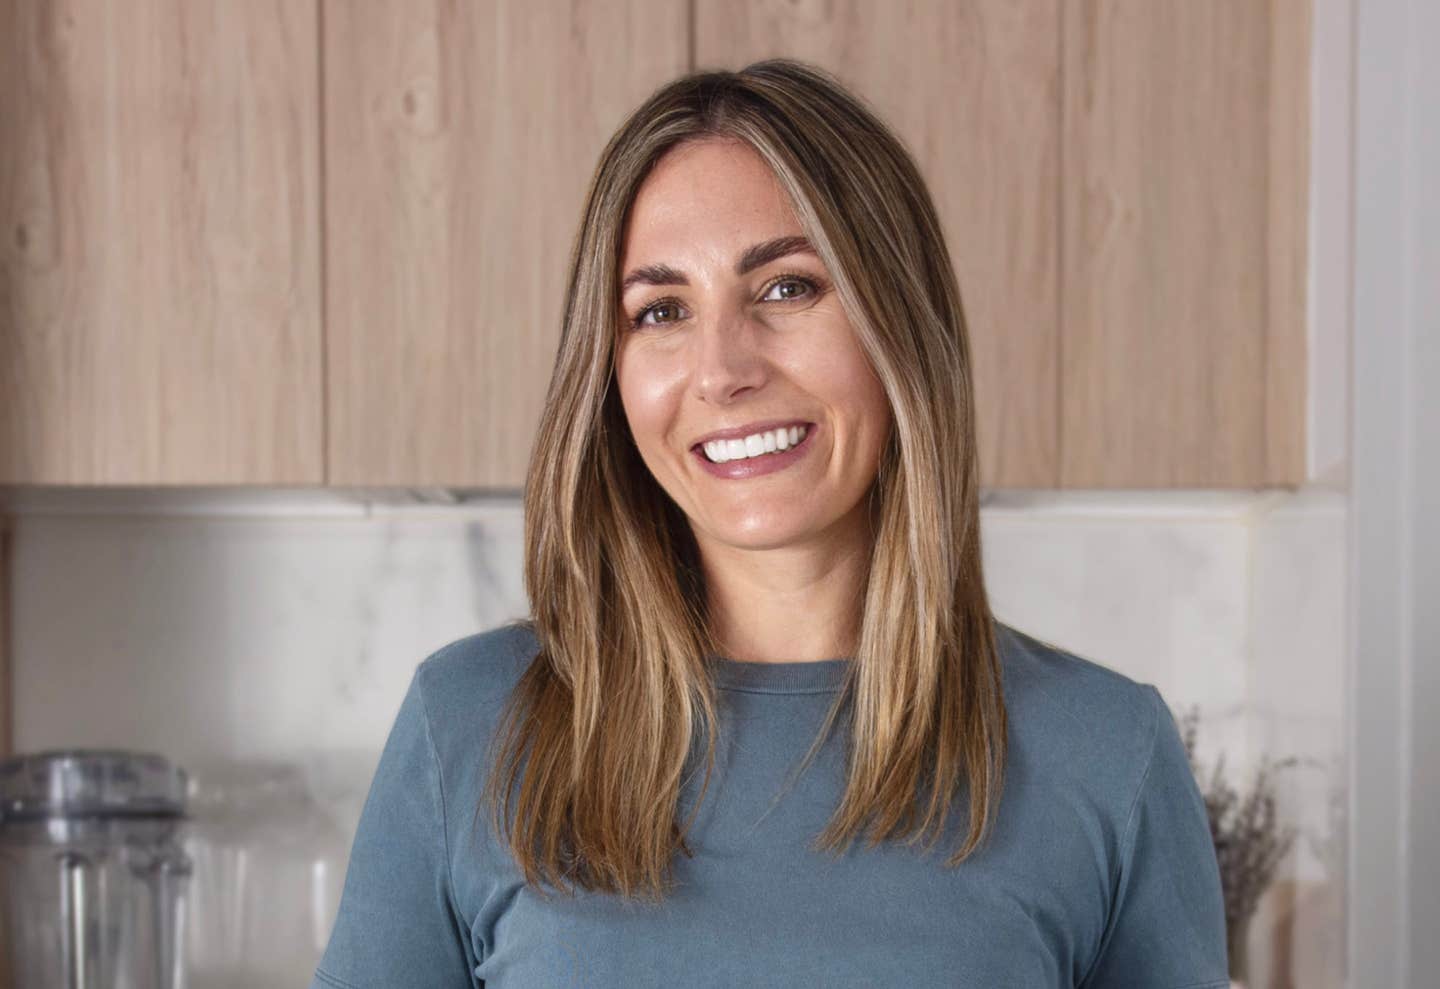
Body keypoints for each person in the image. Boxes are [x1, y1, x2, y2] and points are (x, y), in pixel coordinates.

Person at [309, 59, 1228, 988]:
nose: (722, 368)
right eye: (660, 310)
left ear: (899, 322)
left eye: (787, 288)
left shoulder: (1110, 755)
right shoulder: (466, 731)